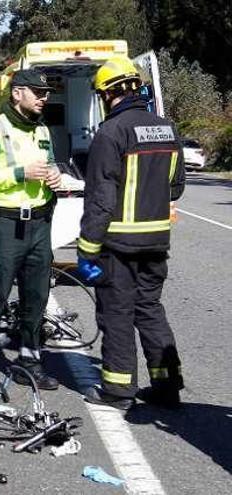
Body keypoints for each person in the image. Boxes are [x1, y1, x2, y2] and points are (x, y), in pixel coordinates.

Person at [78, 56, 186, 410]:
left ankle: (118, 390)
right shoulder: (167, 128)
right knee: (150, 310)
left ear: (108, 94)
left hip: (119, 244)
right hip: (157, 242)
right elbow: (177, 187)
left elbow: (101, 198)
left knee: (117, 314)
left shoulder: (111, 133)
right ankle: (167, 386)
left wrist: (87, 248)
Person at [0, 69, 62, 390]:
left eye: (46, 93)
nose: (43, 98)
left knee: (36, 297)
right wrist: (20, 173)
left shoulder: (43, 131)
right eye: (37, 92)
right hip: (6, 225)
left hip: (39, 224)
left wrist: (55, 178)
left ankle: (30, 360)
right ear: (17, 93)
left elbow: (50, 166)